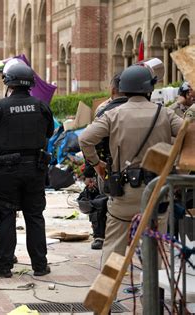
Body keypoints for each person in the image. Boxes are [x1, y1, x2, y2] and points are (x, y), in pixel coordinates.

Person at [78, 61, 183, 265]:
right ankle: (153, 295)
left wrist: (97, 163)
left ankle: (108, 294)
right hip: (156, 192)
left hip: (123, 193)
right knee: (154, 250)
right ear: (149, 88)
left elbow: (85, 139)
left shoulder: (112, 114)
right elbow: (188, 135)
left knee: (114, 251)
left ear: (123, 88)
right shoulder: (165, 113)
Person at [0, 60, 54, 277]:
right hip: (35, 169)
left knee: (5, 216)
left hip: (6, 171)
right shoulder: (41, 106)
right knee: (34, 216)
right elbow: (48, 131)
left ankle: (3, 267)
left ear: (8, 82)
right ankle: (40, 266)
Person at [80, 73, 127, 250]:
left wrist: (93, 168)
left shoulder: (105, 110)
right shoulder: (156, 110)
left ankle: (103, 237)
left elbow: (88, 141)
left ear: (113, 89)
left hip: (110, 168)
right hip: (144, 172)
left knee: (109, 204)